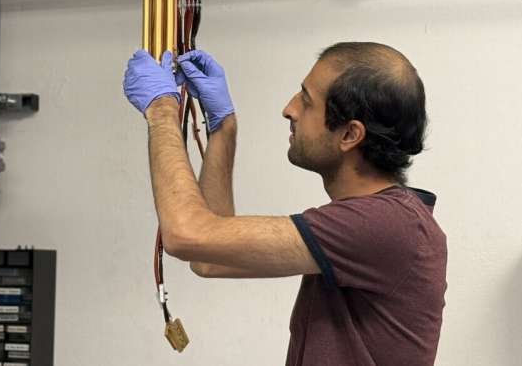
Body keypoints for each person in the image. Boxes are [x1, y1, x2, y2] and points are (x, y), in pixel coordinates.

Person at [122, 42, 447, 366]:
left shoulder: (386, 225)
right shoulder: (380, 220)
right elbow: (209, 259)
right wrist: (223, 127)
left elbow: (186, 235)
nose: (289, 109)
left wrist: (162, 111)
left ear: (350, 134)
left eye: (306, 101)